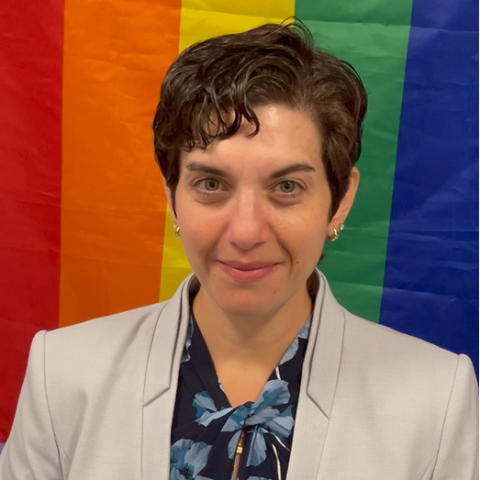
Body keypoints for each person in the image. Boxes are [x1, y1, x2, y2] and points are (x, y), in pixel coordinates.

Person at [0, 21, 478, 480]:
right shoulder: (61, 372)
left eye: (287, 186)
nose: (246, 231)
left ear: (340, 200)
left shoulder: (436, 399)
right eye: (211, 183)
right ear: (172, 196)